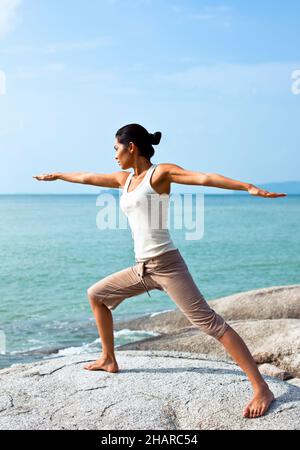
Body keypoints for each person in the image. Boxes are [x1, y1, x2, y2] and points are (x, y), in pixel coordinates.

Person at [33, 123, 287, 419]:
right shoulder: (123, 180)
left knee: (211, 324)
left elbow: (203, 177)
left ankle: (261, 388)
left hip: (167, 265)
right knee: (96, 295)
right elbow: (87, 177)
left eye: (116, 148)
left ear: (131, 147)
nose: (114, 156)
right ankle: (108, 359)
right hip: (142, 268)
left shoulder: (159, 174)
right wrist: (58, 175)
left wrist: (246, 187)